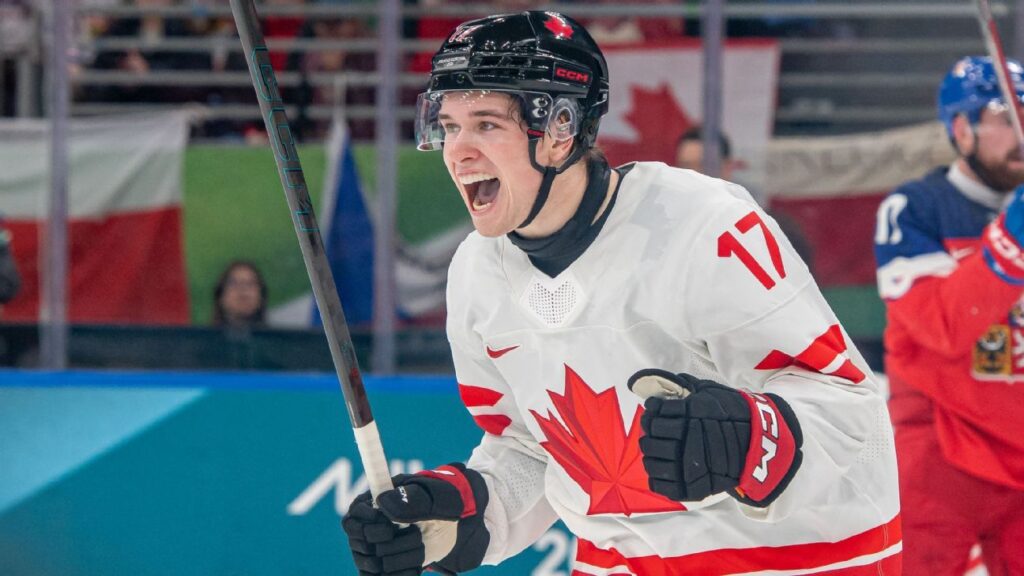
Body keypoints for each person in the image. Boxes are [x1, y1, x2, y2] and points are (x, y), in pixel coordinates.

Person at [343, 11, 900, 575]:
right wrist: (462, 515)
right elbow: (533, 452)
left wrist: (750, 435)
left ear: (561, 129)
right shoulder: (476, 274)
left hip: (794, 562)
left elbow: (852, 413)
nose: (457, 152)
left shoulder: (703, 225)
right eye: (450, 125)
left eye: (486, 124)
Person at [873, 56, 1024, 575]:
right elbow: (941, 326)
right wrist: (1010, 239)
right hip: (942, 451)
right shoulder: (914, 209)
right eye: (1006, 114)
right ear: (962, 128)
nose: (1021, 128)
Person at [675, 126, 816, 272]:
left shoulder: (773, 231)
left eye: (703, 166)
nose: (694, 175)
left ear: (727, 167)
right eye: (685, 167)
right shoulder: (671, 232)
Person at [212, 260, 267, 329]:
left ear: (261, 297)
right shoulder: (202, 338)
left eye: (250, 284)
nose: (243, 289)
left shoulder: (276, 339)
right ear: (220, 297)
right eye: (234, 283)